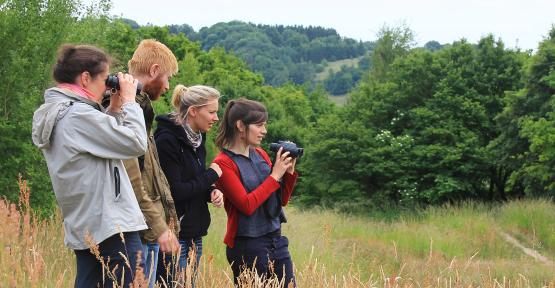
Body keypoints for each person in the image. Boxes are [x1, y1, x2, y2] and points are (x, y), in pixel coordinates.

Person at [31, 44, 147, 287]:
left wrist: (113, 109)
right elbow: (136, 143)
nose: (108, 86)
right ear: (85, 78)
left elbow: (104, 146)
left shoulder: (60, 113)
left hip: (86, 226)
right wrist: (129, 102)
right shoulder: (77, 116)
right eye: (105, 79)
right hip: (112, 226)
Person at [212, 98, 298, 287]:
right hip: (248, 245)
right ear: (240, 125)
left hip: (276, 238)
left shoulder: (260, 154)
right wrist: (274, 176)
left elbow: (280, 201)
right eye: (259, 125)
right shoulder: (223, 163)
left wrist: (289, 173)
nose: (264, 131)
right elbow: (247, 205)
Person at [118, 39, 181, 287]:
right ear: (154, 70)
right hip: (136, 227)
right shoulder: (126, 107)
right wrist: (158, 224)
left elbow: (151, 172)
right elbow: (133, 176)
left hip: (147, 226)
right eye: (167, 78)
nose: (167, 86)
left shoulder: (141, 107)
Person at [154, 85, 224, 283]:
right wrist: (211, 176)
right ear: (193, 111)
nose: (216, 118)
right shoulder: (167, 140)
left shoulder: (198, 138)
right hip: (174, 233)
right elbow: (175, 191)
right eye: (211, 112)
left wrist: (212, 191)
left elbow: (194, 177)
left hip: (194, 231)